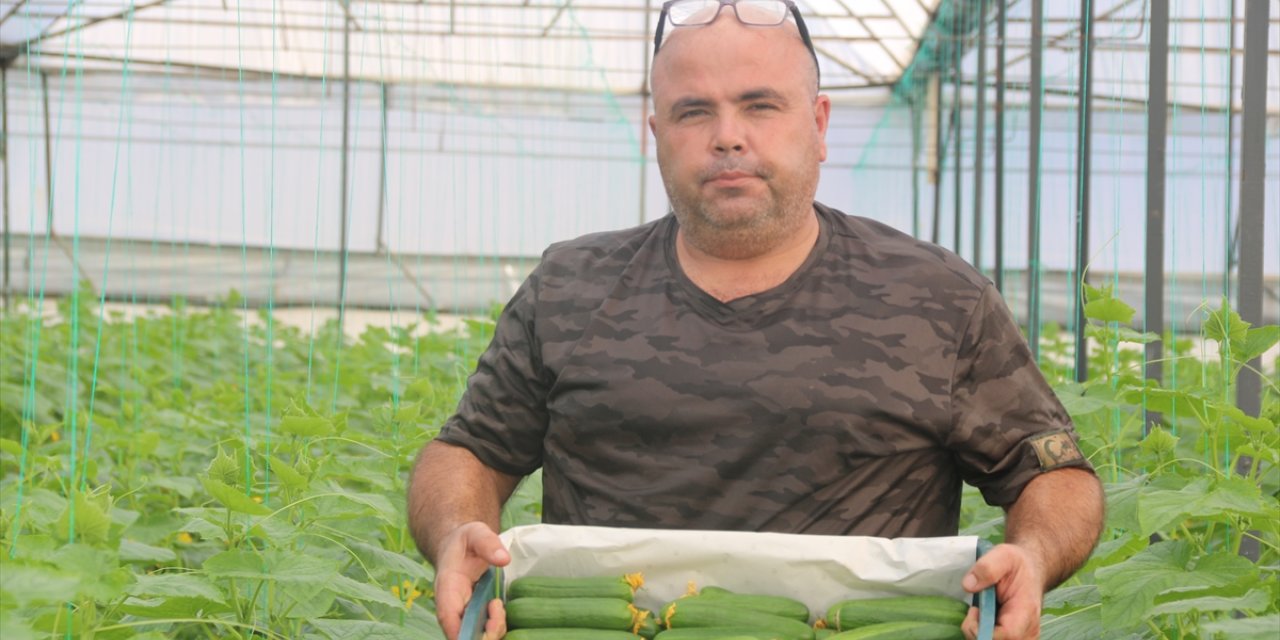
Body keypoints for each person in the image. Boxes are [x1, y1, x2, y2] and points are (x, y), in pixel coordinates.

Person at [407, 2, 1105, 639]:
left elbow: (1055, 475)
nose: (728, 138)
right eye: (693, 112)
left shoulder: (936, 298)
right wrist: (454, 534)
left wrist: (1034, 556)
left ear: (820, 124)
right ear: (657, 133)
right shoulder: (570, 288)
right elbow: (468, 452)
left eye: (760, 106)